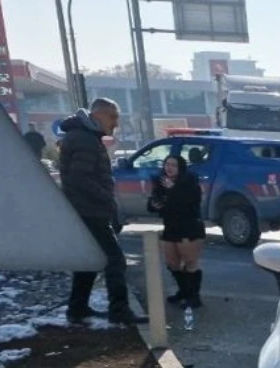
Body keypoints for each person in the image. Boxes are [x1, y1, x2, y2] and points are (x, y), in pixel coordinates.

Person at [58, 98, 146, 326]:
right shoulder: (85, 140)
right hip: (90, 211)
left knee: (91, 258)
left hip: (86, 210)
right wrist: (107, 198)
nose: (116, 123)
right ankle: (119, 310)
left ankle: (78, 308)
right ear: (98, 115)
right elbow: (79, 178)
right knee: (115, 260)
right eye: (113, 117)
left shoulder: (82, 136)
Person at [148, 154, 206, 309]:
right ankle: (184, 291)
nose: (169, 168)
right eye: (167, 164)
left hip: (189, 227)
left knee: (190, 262)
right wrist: (154, 204)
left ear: (180, 167)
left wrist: (173, 189)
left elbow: (190, 202)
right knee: (172, 263)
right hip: (171, 226)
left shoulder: (190, 181)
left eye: (173, 165)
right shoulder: (161, 181)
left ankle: (194, 297)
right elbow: (152, 203)